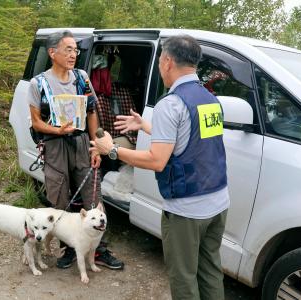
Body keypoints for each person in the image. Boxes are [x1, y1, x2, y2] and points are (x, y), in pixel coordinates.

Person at [91, 35, 229, 300]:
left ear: (167, 62)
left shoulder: (171, 103)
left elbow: (157, 160)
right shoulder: (210, 99)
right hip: (218, 202)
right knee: (210, 270)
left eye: (159, 62)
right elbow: (191, 139)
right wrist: (146, 126)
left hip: (187, 210)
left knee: (184, 276)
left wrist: (113, 150)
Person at [28, 30, 124, 270]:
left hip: (82, 142)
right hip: (54, 145)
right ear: (52, 53)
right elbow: (36, 122)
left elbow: (92, 113)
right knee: (58, 198)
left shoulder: (81, 77)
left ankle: (98, 250)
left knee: (93, 197)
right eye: (68, 49)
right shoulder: (38, 83)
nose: (73, 55)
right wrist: (57, 131)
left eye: (75, 50)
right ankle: (70, 247)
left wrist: (95, 147)